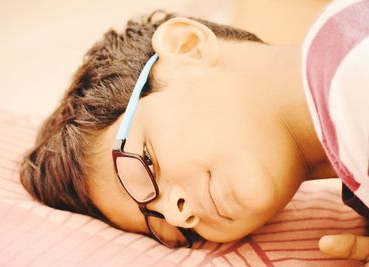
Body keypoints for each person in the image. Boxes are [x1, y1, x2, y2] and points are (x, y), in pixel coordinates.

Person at [20, 0, 369, 263]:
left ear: (186, 46)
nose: (179, 214)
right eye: (180, 234)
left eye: (143, 166)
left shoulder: (355, 67)